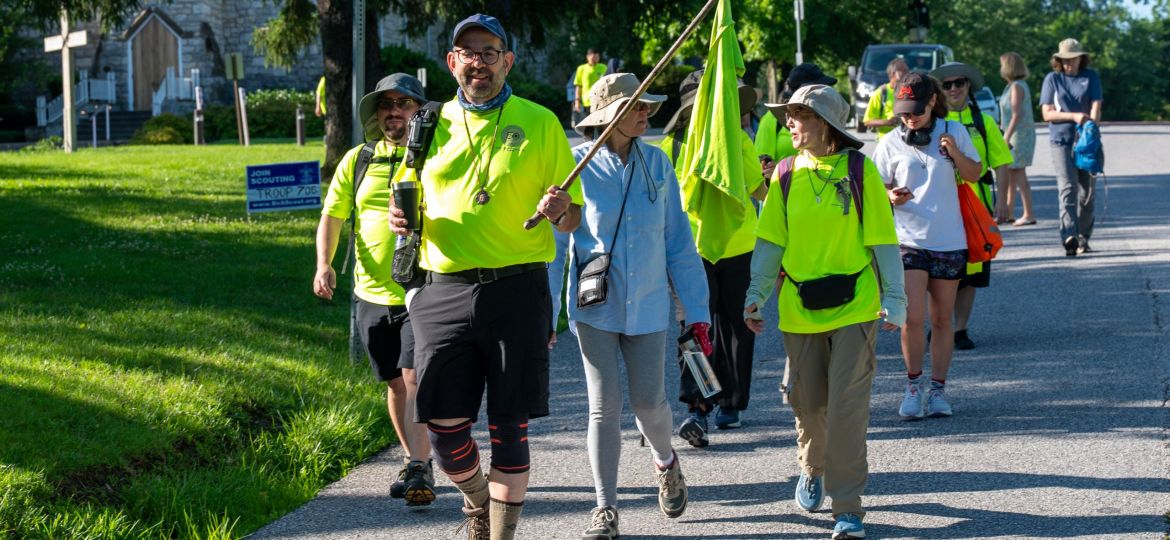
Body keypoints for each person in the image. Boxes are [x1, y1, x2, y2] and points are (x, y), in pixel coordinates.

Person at [387, 14, 583, 540]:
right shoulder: (427, 123)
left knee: (509, 425)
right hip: (442, 289)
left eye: (489, 51)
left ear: (507, 61)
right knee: (444, 426)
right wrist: (398, 215)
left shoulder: (540, 122)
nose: (478, 61)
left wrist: (562, 207)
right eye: (467, 52)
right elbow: (403, 196)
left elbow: (572, 219)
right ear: (452, 62)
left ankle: (500, 533)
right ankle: (476, 497)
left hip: (517, 289)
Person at [744, 83, 905, 540]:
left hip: (856, 307)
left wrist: (896, 299)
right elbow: (771, 241)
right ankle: (812, 467)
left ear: (826, 124)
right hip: (798, 309)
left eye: (798, 115)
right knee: (809, 405)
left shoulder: (860, 170)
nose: (788, 123)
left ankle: (848, 508)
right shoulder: (786, 174)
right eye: (788, 115)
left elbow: (883, 241)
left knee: (847, 410)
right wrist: (755, 295)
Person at [567, 73, 710, 540]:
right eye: (636, 107)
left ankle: (665, 461)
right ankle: (605, 508)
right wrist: (547, 311)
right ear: (607, 117)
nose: (646, 113)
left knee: (650, 403)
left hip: (648, 305)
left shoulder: (659, 163)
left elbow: (679, 242)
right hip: (595, 307)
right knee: (602, 407)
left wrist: (697, 307)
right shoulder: (575, 167)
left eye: (647, 105)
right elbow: (554, 247)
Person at [313, 73, 435, 506]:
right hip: (370, 292)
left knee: (413, 376)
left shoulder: (434, 155)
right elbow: (332, 215)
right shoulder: (359, 159)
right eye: (387, 104)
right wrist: (323, 265)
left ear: (419, 111)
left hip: (422, 288)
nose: (394, 111)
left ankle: (420, 466)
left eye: (404, 103)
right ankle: (412, 456)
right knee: (394, 385)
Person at [659, 69, 766, 446]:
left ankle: (731, 403)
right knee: (696, 332)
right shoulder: (670, 147)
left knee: (738, 330)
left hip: (740, 247)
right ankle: (699, 407)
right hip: (690, 254)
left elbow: (758, 189)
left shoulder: (738, 140)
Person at [873, 73, 982, 420]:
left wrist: (952, 152)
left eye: (916, 111)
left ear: (932, 102)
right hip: (907, 240)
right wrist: (890, 196)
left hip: (948, 239)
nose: (910, 118)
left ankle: (937, 391)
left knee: (942, 320)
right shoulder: (890, 142)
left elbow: (976, 173)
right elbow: (875, 191)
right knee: (912, 318)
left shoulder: (955, 131)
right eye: (904, 112)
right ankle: (912, 387)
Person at [930, 62, 1013, 351]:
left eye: (959, 83)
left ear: (968, 87)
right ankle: (940, 323)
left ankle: (960, 329)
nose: (953, 89)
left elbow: (1001, 163)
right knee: (939, 269)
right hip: (938, 205)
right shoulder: (932, 122)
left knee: (972, 270)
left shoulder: (984, 122)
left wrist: (1004, 201)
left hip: (976, 206)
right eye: (948, 84)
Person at [1040, 38, 1103, 256]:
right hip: (1061, 141)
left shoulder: (1090, 77)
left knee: (1087, 193)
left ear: (1080, 58)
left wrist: (1091, 128)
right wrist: (1074, 116)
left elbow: (1096, 106)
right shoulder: (1052, 79)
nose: (1068, 64)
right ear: (1058, 60)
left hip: (1086, 142)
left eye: (1072, 59)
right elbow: (1047, 113)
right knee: (1068, 188)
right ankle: (1069, 236)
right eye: (1064, 60)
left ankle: (1084, 236)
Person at [755, 63, 838, 165]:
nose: (789, 123)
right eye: (818, 89)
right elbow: (761, 164)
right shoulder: (771, 119)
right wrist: (778, 175)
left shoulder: (827, 116)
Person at [997, 52, 1037, 226]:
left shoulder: (1017, 87)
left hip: (1019, 135)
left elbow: (1016, 114)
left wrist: (1005, 137)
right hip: (1016, 133)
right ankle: (1009, 212)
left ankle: (1029, 214)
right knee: (1011, 173)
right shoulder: (1013, 86)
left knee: (1019, 173)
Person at [863, 58, 910, 139]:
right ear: (893, 73)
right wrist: (889, 122)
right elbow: (867, 121)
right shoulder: (881, 93)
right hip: (885, 141)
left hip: (906, 140)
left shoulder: (909, 91)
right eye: (904, 70)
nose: (908, 73)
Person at [573, 48, 607, 126]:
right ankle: (590, 137)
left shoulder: (603, 67)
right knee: (589, 124)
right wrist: (577, 101)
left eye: (597, 57)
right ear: (588, 57)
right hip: (587, 101)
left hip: (601, 100)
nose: (595, 59)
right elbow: (579, 86)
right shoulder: (581, 69)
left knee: (600, 123)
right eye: (593, 57)